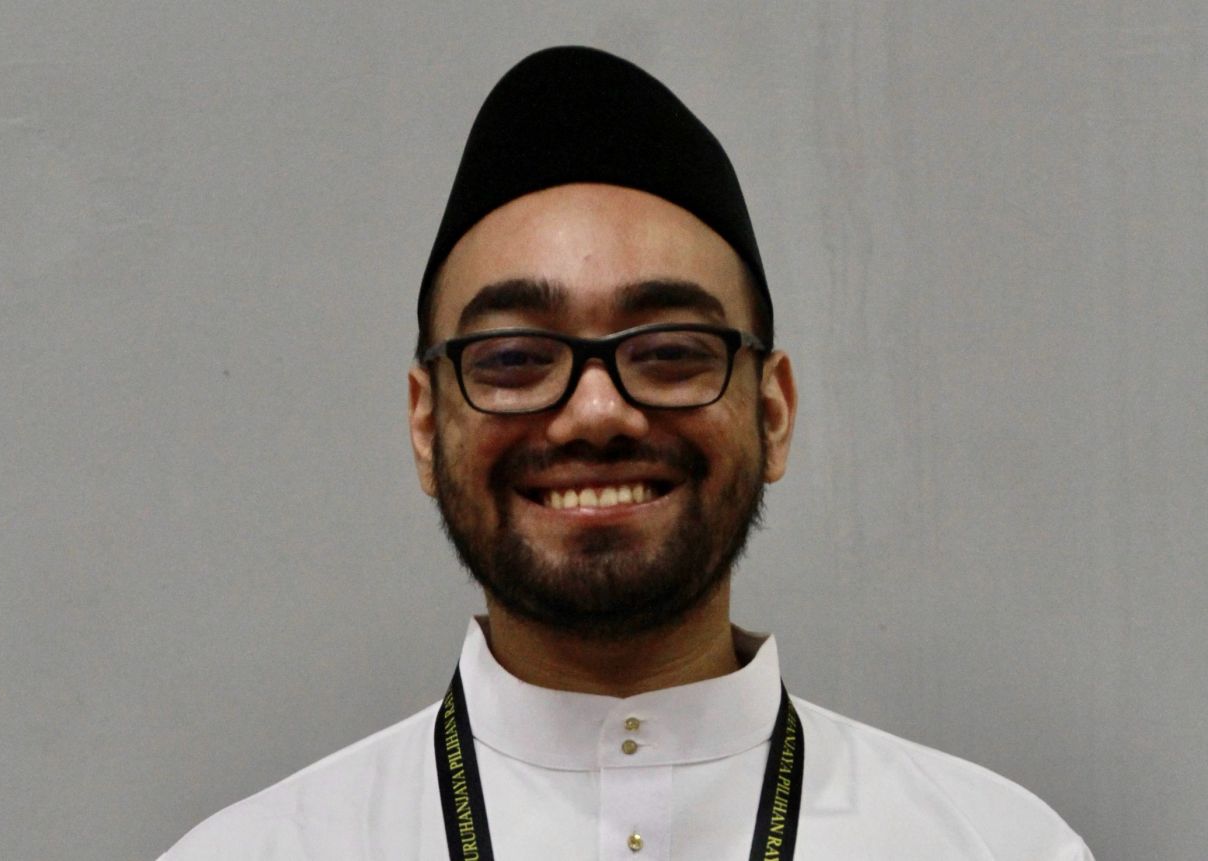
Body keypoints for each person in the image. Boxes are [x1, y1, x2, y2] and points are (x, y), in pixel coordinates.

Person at [161, 46, 1094, 860]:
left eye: (671, 351)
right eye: (515, 358)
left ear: (773, 412)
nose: (596, 411)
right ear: (425, 424)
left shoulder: (997, 845)